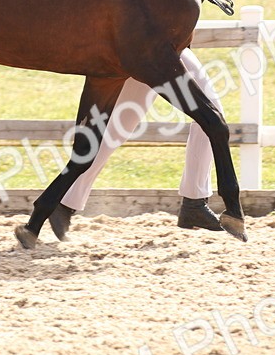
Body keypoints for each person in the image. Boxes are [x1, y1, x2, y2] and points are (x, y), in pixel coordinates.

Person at [49, 49, 222, 238]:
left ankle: (64, 203)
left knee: (116, 129)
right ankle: (194, 202)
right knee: (211, 115)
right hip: (162, 49)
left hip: (140, 48)